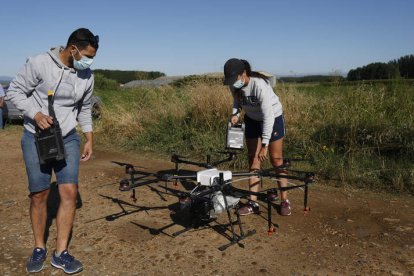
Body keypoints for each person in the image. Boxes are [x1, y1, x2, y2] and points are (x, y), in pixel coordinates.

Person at [6, 28, 99, 274]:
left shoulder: (87, 76)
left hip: (68, 137)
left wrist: (89, 138)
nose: (89, 62)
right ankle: (39, 247)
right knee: (40, 194)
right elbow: (13, 91)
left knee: (69, 191)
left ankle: (61, 253)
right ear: (73, 49)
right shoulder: (39, 63)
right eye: (87, 56)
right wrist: (35, 114)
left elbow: (85, 109)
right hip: (36, 137)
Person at [223, 58, 291, 216]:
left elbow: (268, 117)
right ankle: (253, 202)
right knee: (253, 158)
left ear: (244, 73)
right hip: (252, 120)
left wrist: (265, 145)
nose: (233, 83)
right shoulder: (235, 85)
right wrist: (235, 115)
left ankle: (284, 200)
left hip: (273, 118)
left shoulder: (259, 85)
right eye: (231, 81)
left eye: (235, 79)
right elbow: (237, 102)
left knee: (276, 160)